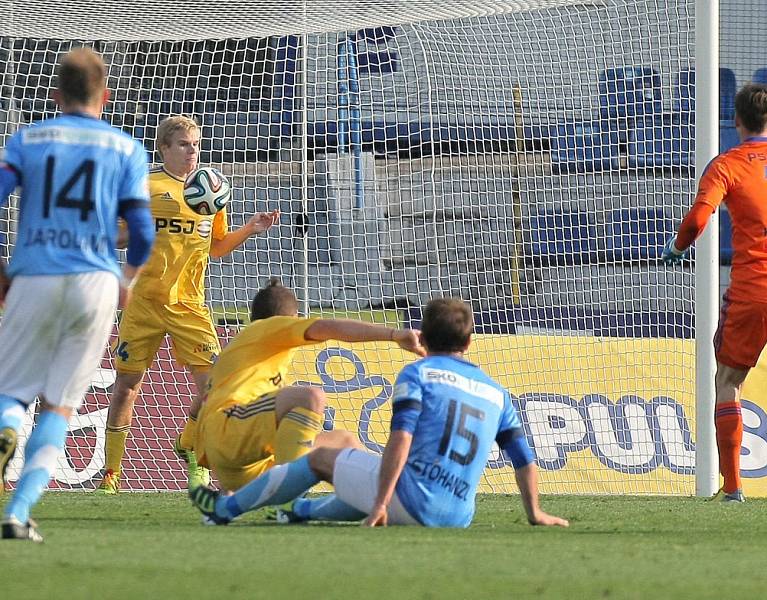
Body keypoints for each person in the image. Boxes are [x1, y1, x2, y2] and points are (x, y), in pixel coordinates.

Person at [190, 297, 568, 529]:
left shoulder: (418, 373)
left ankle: (225, 509)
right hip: (458, 515)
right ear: (470, 342)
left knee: (323, 458)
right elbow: (523, 457)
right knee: (351, 450)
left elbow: (401, 438)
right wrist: (534, 512)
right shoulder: (496, 391)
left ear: (421, 335)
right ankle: (300, 511)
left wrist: (382, 504)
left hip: (409, 502)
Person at [0, 48, 154, 541]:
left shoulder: (28, 139)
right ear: (105, 97)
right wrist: (125, 280)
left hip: (35, 276)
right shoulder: (127, 149)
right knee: (61, 405)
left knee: (11, 393)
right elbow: (144, 233)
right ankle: (18, 512)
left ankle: (6, 425)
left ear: (56, 94)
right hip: (95, 284)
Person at [97, 115, 280, 494]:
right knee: (126, 387)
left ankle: (193, 457)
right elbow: (118, 237)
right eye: (183, 144)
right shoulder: (147, 186)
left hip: (190, 306)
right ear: (164, 148)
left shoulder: (212, 191)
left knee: (212, 389)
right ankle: (111, 474)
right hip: (144, 303)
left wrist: (250, 228)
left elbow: (216, 248)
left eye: (195, 144)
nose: (191, 151)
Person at [661, 83, 767, 502]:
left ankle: (734, 487)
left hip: (752, 292)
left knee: (729, 381)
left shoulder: (727, 165)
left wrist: (677, 247)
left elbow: (698, 218)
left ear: (736, 121)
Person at [191, 278, 426, 494]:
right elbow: (331, 328)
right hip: (229, 436)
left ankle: (388, 496)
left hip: (239, 469)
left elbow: (199, 405)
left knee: (343, 441)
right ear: (291, 318)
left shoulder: (249, 360)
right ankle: (292, 497)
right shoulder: (269, 328)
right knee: (311, 397)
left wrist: (190, 446)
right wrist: (394, 335)